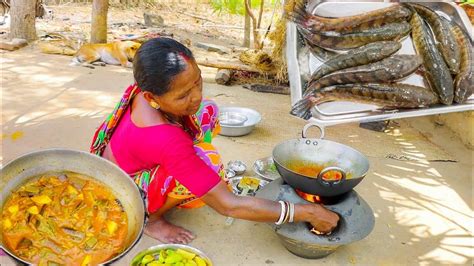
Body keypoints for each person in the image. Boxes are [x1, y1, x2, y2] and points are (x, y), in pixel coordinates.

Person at [90, 38, 339, 244]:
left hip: (121, 160)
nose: (196, 95)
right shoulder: (166, 138)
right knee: (208, 161)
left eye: (197, 81)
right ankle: (152, 219)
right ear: (152, 96)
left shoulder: (143, 90)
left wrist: (185, 104)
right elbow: (228, 205)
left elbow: (192, 107)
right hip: (125, 188)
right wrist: (307, 211)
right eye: (184, 94)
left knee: (208, 111)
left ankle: (187, 167)